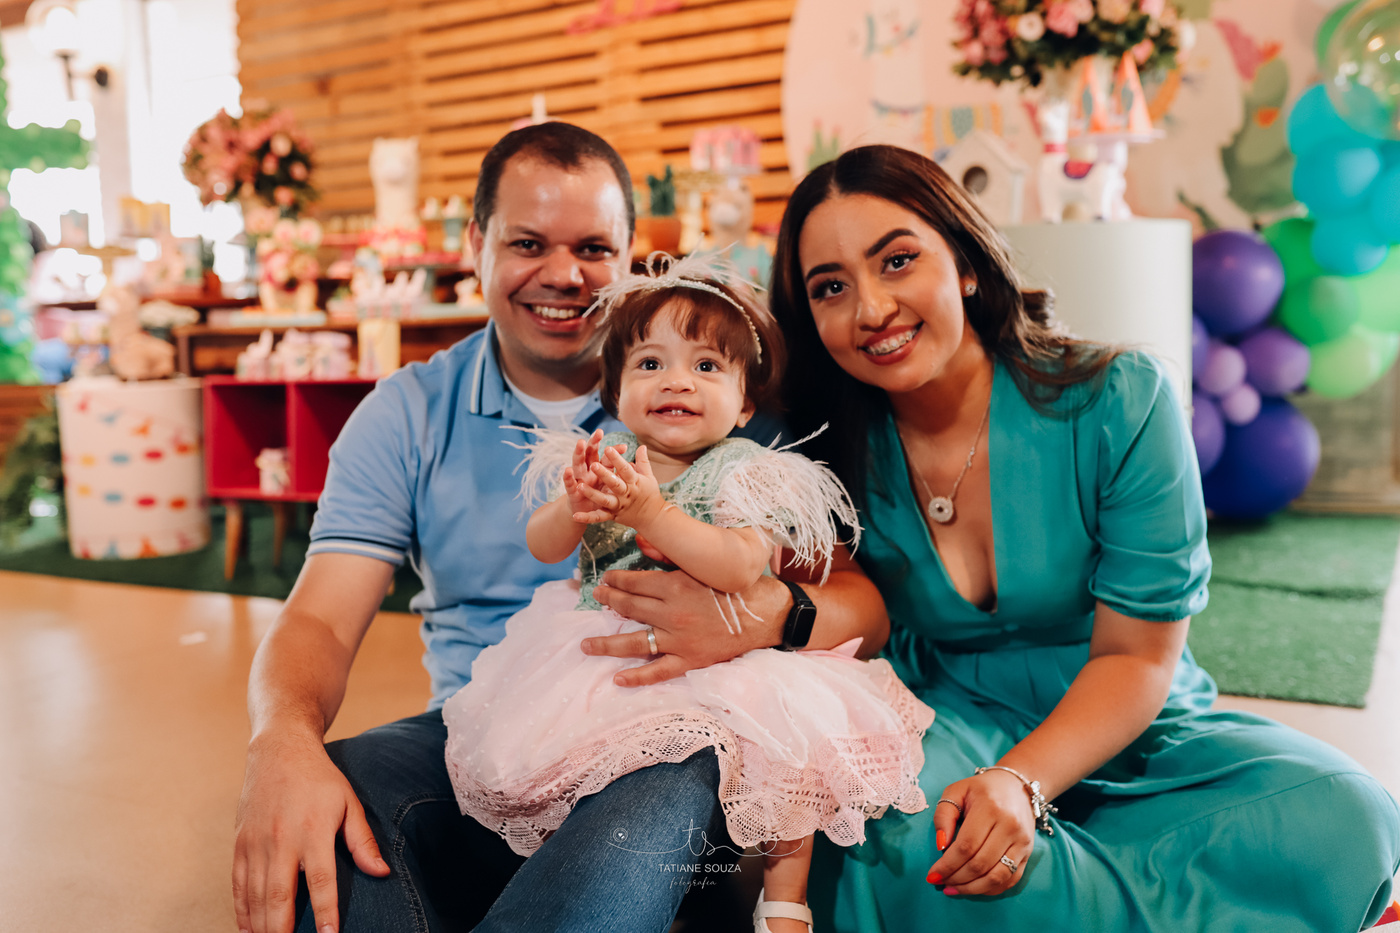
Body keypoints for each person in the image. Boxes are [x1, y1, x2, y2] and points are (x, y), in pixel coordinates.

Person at [231, 122, 888, 933]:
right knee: (340, 790)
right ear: (476, 243)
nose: (564, 274)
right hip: (487, 725)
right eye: (528, 243)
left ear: (631, 256)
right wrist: (281, 738)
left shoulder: (721, 401)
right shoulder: (407, 411)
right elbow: (321, 618)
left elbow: (863, 604)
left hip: (675, 728)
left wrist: (772, 613)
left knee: (666, 769)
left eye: (593, 248)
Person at [768, 144, 1400, 932]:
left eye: (897, 260)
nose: (871, 309)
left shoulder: (1123, 399)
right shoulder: (818, 448)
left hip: (1129, 715)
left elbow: (1137, 657)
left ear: (965, 262)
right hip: (939, 720)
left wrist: (1020, 780)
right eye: (830, 287)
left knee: (1346, 814)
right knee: (915, 851)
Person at [440, 256, 934, 933]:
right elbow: (542, 546)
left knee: (790, 746)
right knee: (572, 757)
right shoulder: (607, 457)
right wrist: (572, 509)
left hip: (726, 654)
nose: (676, 380)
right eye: (650, 363)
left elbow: (738, 567)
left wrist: (653, 513)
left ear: (745, 403)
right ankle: (581, 871)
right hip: (605, 649)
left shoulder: (748, 473)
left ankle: (785, 898)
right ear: (616, 393)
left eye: (706, 366)